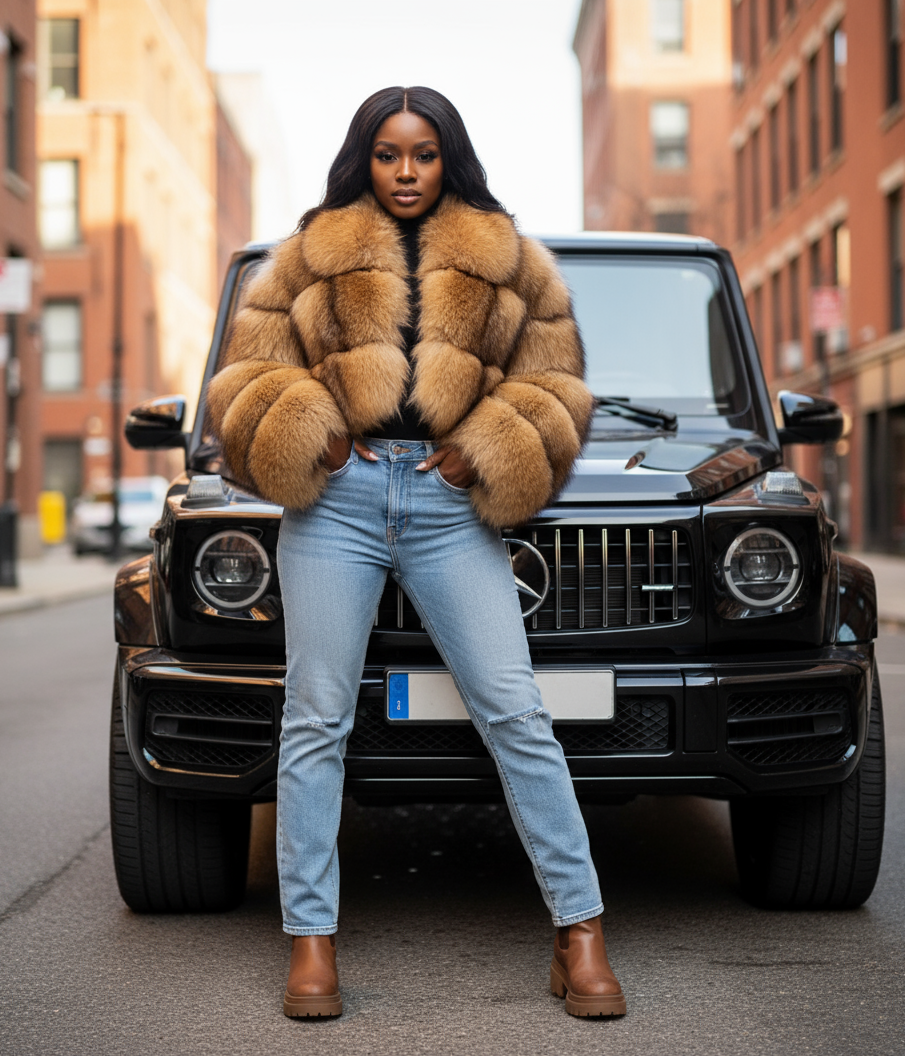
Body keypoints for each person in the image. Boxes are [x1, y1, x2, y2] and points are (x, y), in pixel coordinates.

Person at [206, 86, 625, 1020]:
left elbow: (557, 384)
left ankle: (580, 932)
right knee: (315, 719)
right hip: (339, 504)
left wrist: (488, 443)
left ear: (449, 158)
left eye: (424, 154)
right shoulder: (308, 256)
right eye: (389, 153)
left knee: (514, 709)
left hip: (447, 506)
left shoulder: (509, 260)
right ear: (366, 156)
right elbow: (243, 380)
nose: (406, 172)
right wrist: (302, 423)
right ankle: (311, 944)